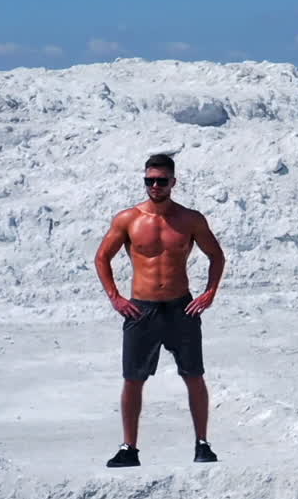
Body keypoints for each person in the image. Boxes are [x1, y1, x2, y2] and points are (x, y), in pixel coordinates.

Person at [94, 153, 225, 467]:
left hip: (182, 308)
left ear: (173, 183)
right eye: (149, 180)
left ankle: (202, 444)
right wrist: (116, 298)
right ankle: (129, 449)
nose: (155, 185)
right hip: (142, 310)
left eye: (161, 181)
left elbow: (216, 256)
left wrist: (209, 293)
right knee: (133, 379)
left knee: (194, 375)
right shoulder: (128, 219)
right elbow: (102, 258)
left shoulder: (191, 219)